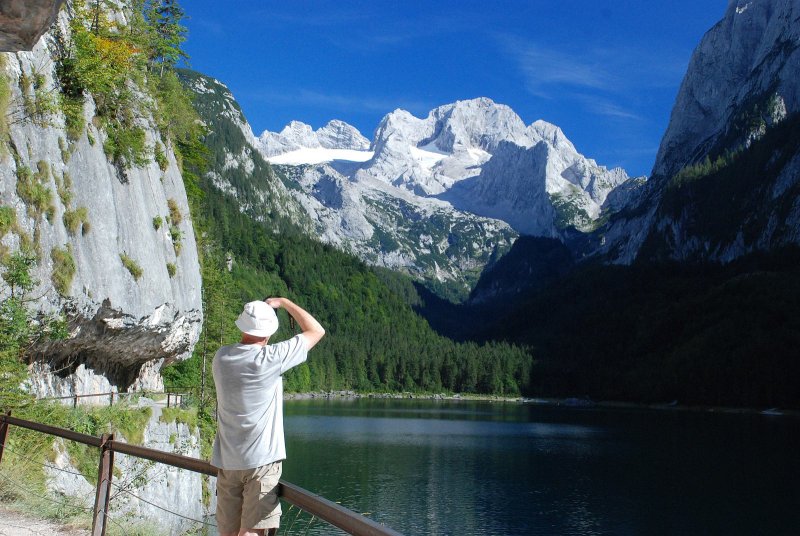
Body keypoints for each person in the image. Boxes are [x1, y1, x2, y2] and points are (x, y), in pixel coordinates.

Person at [211, 297, 325, 536]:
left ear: (242, 326)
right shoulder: (271, 358)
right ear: (269, 331)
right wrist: (284, 302)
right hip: (261, 462)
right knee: (251, 532)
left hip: (228, 461)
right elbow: (316, 331)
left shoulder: (221, 357)